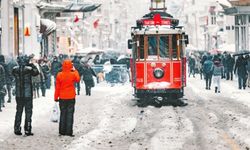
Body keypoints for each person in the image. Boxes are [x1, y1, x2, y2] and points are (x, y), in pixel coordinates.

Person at [12, 55, 39, 136]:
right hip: (27, 94)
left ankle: (17, 128)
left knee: (19, 111)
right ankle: (27, 129)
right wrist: (31, 64)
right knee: (28, 111)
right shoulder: (29, 69)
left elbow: (13, 74)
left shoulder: (15, 69)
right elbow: (36, 72)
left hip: (19, 94)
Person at [54, 59, 80, 136]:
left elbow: (57, 87)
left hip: (62, 97)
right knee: (70, 114)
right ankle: (69, 131)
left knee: (63, 114)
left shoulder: (59, 75)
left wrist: (56, 97)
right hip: (71, 96)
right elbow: (78, 79)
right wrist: (75, 70)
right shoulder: (73, 74)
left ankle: (62, 131)